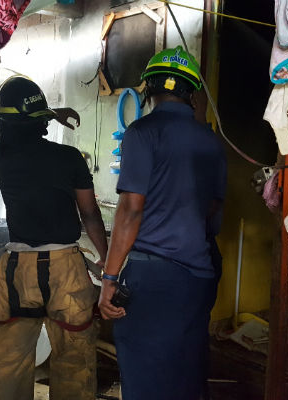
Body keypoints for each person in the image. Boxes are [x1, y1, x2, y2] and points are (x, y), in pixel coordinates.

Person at [97, 46, 227, 400]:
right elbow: (213, 210)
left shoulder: (143, 132)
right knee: (186, 371)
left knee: (145, 373)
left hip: (153, 280)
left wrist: (109, 278)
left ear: (150, 88)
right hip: (199, 277)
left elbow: (130, 210)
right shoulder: (212, 142)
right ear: (192, 92)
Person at [0, 75, 108, 400]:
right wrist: (107, 259)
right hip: (65, 269)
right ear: (40, 121)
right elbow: (91, 215)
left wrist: (48, 112)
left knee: (11, 361)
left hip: (17, 271)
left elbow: (10, 127)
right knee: (74, 359)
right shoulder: (69, 158)